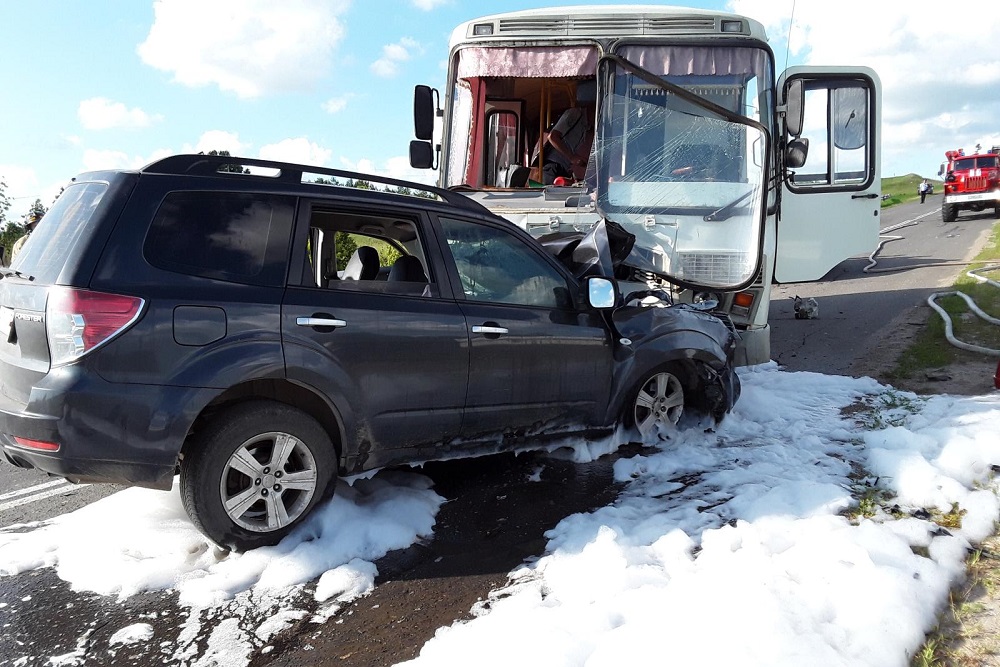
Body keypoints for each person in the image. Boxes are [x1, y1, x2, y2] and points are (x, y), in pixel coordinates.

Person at [542, 81, 596, 185]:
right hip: (553, 167)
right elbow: (553, 137)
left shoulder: (586, 127)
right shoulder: (574, 114)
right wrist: (572, 157)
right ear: (592, 107)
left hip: (564, 168)